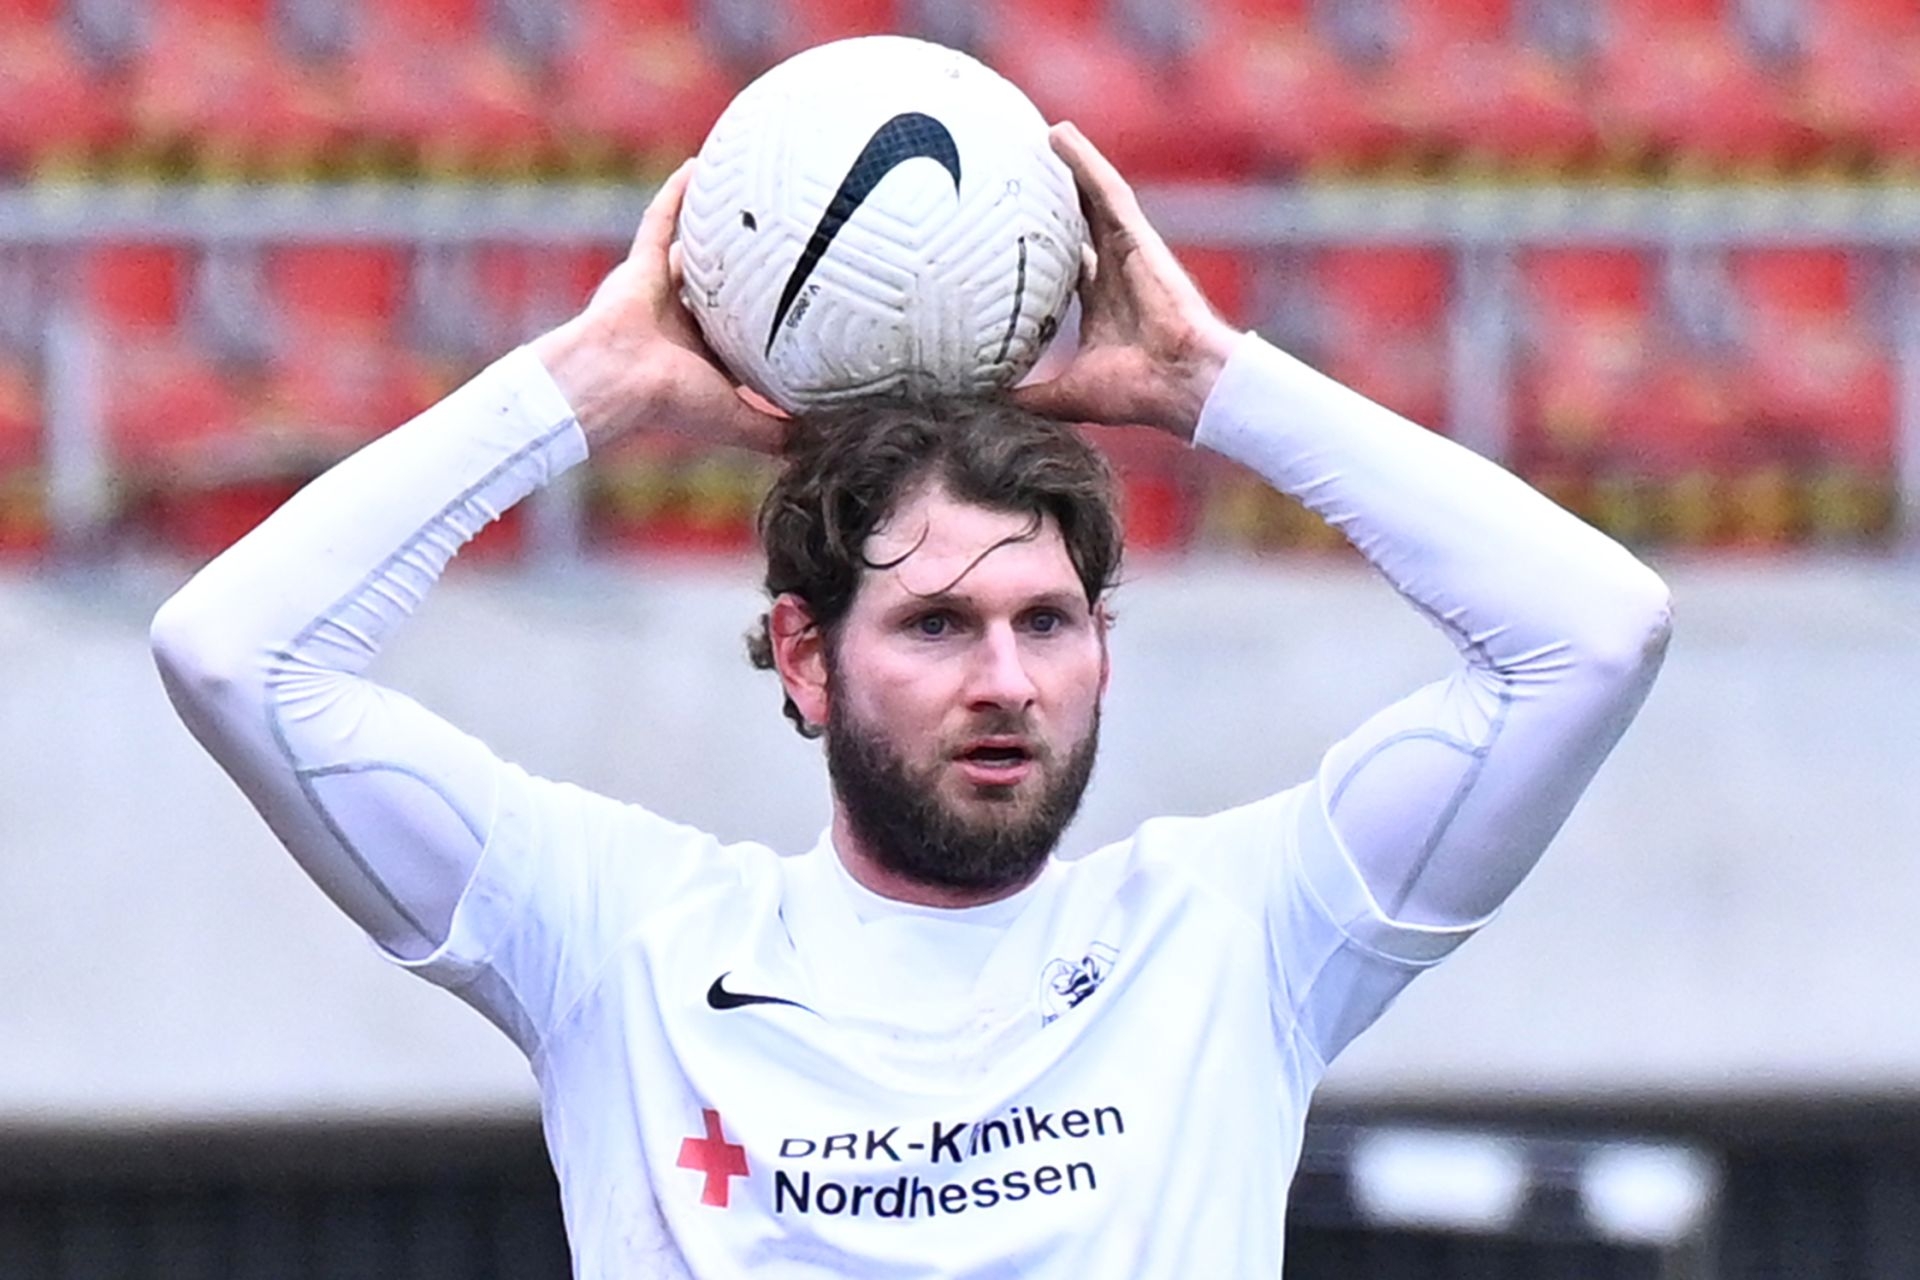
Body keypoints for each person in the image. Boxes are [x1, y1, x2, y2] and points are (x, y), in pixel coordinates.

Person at [151, 123, 1671, 1278]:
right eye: (937, 625)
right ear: (806, 656)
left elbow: (1595, 632)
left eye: (1046, 623)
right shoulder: (621, 941)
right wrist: (587, 385)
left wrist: (1212, 382)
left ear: (1103, 650)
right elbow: (233, 653)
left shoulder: (1238, 933)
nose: (1005, 681)